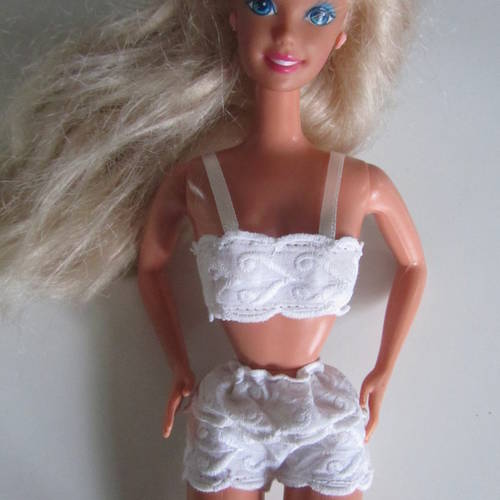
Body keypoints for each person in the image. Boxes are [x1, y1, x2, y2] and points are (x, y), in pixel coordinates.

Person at [1, 1, 426, 498]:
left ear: (342, 37)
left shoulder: (359, 182)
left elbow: (414, 265)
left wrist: (384, 369)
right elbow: (152, 266)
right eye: (263, 5)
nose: (286, 35)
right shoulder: (197, 181)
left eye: (318, 15)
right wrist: (178, 365)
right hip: (231, 416)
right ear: (234, 17)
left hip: (323, 417)